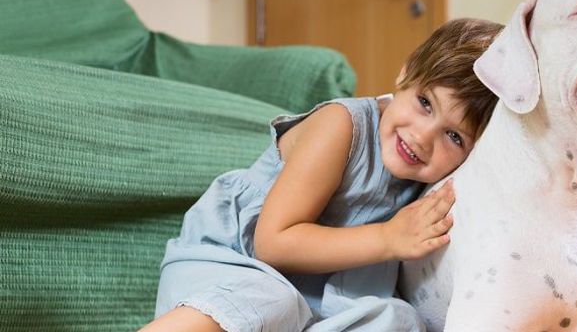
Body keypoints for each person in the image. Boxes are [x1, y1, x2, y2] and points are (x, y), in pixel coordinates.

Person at [141, 18, 503, 332]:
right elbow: (273, 244)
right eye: (425, 103)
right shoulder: (342, 126)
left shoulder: (432, 179)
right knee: (271, 299)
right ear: (406, 73)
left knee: (398, 320)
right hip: (231, 269)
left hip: (317, 304)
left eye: (453, 136)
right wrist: (388, 238)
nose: (423, 137)